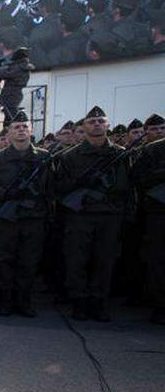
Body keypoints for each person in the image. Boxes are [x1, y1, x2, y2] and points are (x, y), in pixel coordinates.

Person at [55, 106, 131, 321]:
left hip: (109, 215)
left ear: (107, 125)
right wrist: (80, 185)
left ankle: (98, 301)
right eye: (92, 122)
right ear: (84, 126)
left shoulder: (119, 154)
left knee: (104, 260)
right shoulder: (70, 157)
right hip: (80, 215)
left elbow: (126, 186)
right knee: (76, 260)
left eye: (100, 121)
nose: (96, 124)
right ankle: (79, 301)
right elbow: (59, 187)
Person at [0, 110, 52, 317]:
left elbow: (52, 187)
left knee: (29, 260)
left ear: (31, 130)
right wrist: (5, 193)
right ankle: (6, 300)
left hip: (33, 216)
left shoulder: (43, 158)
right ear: (9, 133)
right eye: (16, 128)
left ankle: (24, 301)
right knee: (4, 259)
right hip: (6, 218)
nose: (21, 130)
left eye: (24, 127)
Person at [133, 113, 165, 324]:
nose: (159, 132)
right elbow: (138, 179)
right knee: (158, 261)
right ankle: (159, 305)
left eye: (162, 128)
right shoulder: (148, 152)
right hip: (156, 213)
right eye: (154, 129)